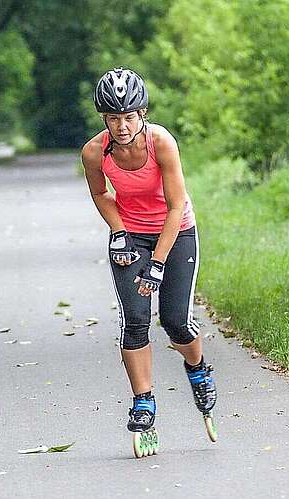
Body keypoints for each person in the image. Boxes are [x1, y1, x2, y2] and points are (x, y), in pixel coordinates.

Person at [78, 68, 218, 457]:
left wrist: (157, 265)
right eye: (112, 118)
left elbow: (176, 207)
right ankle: (143, 401)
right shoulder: (95, 151)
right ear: (103, 118)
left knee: (175, 322)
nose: (121, 127)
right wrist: (118, 229)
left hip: (176, 232)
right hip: (131, 235)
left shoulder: (161, 143)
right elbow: (99, 193)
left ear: (142, 114)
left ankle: (198, 369)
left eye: (129, 117)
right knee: (135, 320)